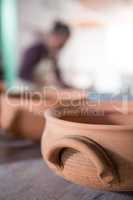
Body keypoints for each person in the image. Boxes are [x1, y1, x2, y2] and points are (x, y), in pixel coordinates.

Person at [19, 21, 71, 88]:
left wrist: (68, 87)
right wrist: (39, 80)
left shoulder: (52, 56)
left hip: (44, 92)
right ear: (54, 36)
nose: (62, 47)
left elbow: (58, 78)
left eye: (63, 44)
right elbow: (23, 74)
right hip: (28, 90)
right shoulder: (35, 50)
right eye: (61, 44)